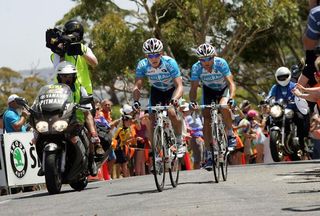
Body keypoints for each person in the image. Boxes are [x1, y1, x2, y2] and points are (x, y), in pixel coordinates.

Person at [37, 61, 103, 176]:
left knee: (89, 130)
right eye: (64, 76)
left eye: (70, 76)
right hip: (60, 119)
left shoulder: (80, 88)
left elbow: (87, 105)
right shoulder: (53, 88)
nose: (67, 79)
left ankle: (91, 160)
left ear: (74, 76)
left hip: (78, 119)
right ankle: (44, 164)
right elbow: (44, 100)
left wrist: (86, 104)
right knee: (39, 136)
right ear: (59, 77)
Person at [132, 38, 185, 155]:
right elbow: (137, 86)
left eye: (156, 55)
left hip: (172, 90)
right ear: (146, 56)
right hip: (157, 90)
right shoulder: (142, 65)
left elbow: (179, 85)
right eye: (150, 56)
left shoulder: (169, 63)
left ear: (161, 53)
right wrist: (136, 101)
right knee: (151, 117)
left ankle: (179, 140)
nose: (154, 58)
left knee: (171, 112)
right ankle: (156, 149)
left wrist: (174, 100)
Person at [189, 43, 237, 170]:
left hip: (223, 89)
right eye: (203, 59)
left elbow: (231, 83)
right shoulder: (196, 68)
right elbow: (193, 88)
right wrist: (192, 101)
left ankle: (231, 134)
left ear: (214, 57)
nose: (206, 62)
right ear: (199, 60)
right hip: (209, 91)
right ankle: (210, 154)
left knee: (223, 106)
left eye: (209, 58)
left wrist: (231, 98)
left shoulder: (221, 63)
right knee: (206, 118)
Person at [269, 67, 309, 158]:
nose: (283, 79)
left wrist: (298, 98)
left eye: (285, 76)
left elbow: (299, 94)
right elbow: (270, 96)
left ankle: (301, 141)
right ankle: (274, 138)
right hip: (280, 110)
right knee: (269, 118)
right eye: (280, 77)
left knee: (300, 118)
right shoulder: (275, 87)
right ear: (276, 77)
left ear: (289, 76)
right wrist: (268, 100)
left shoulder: (294, 85)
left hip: (293, 110)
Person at [50, 20, 98, 95]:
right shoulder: (59, 50)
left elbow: (94, 63)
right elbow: (58, 69)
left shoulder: (84, 48)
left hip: (84, 92)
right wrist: (61, 54)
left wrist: (82, 53)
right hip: (63, 92)